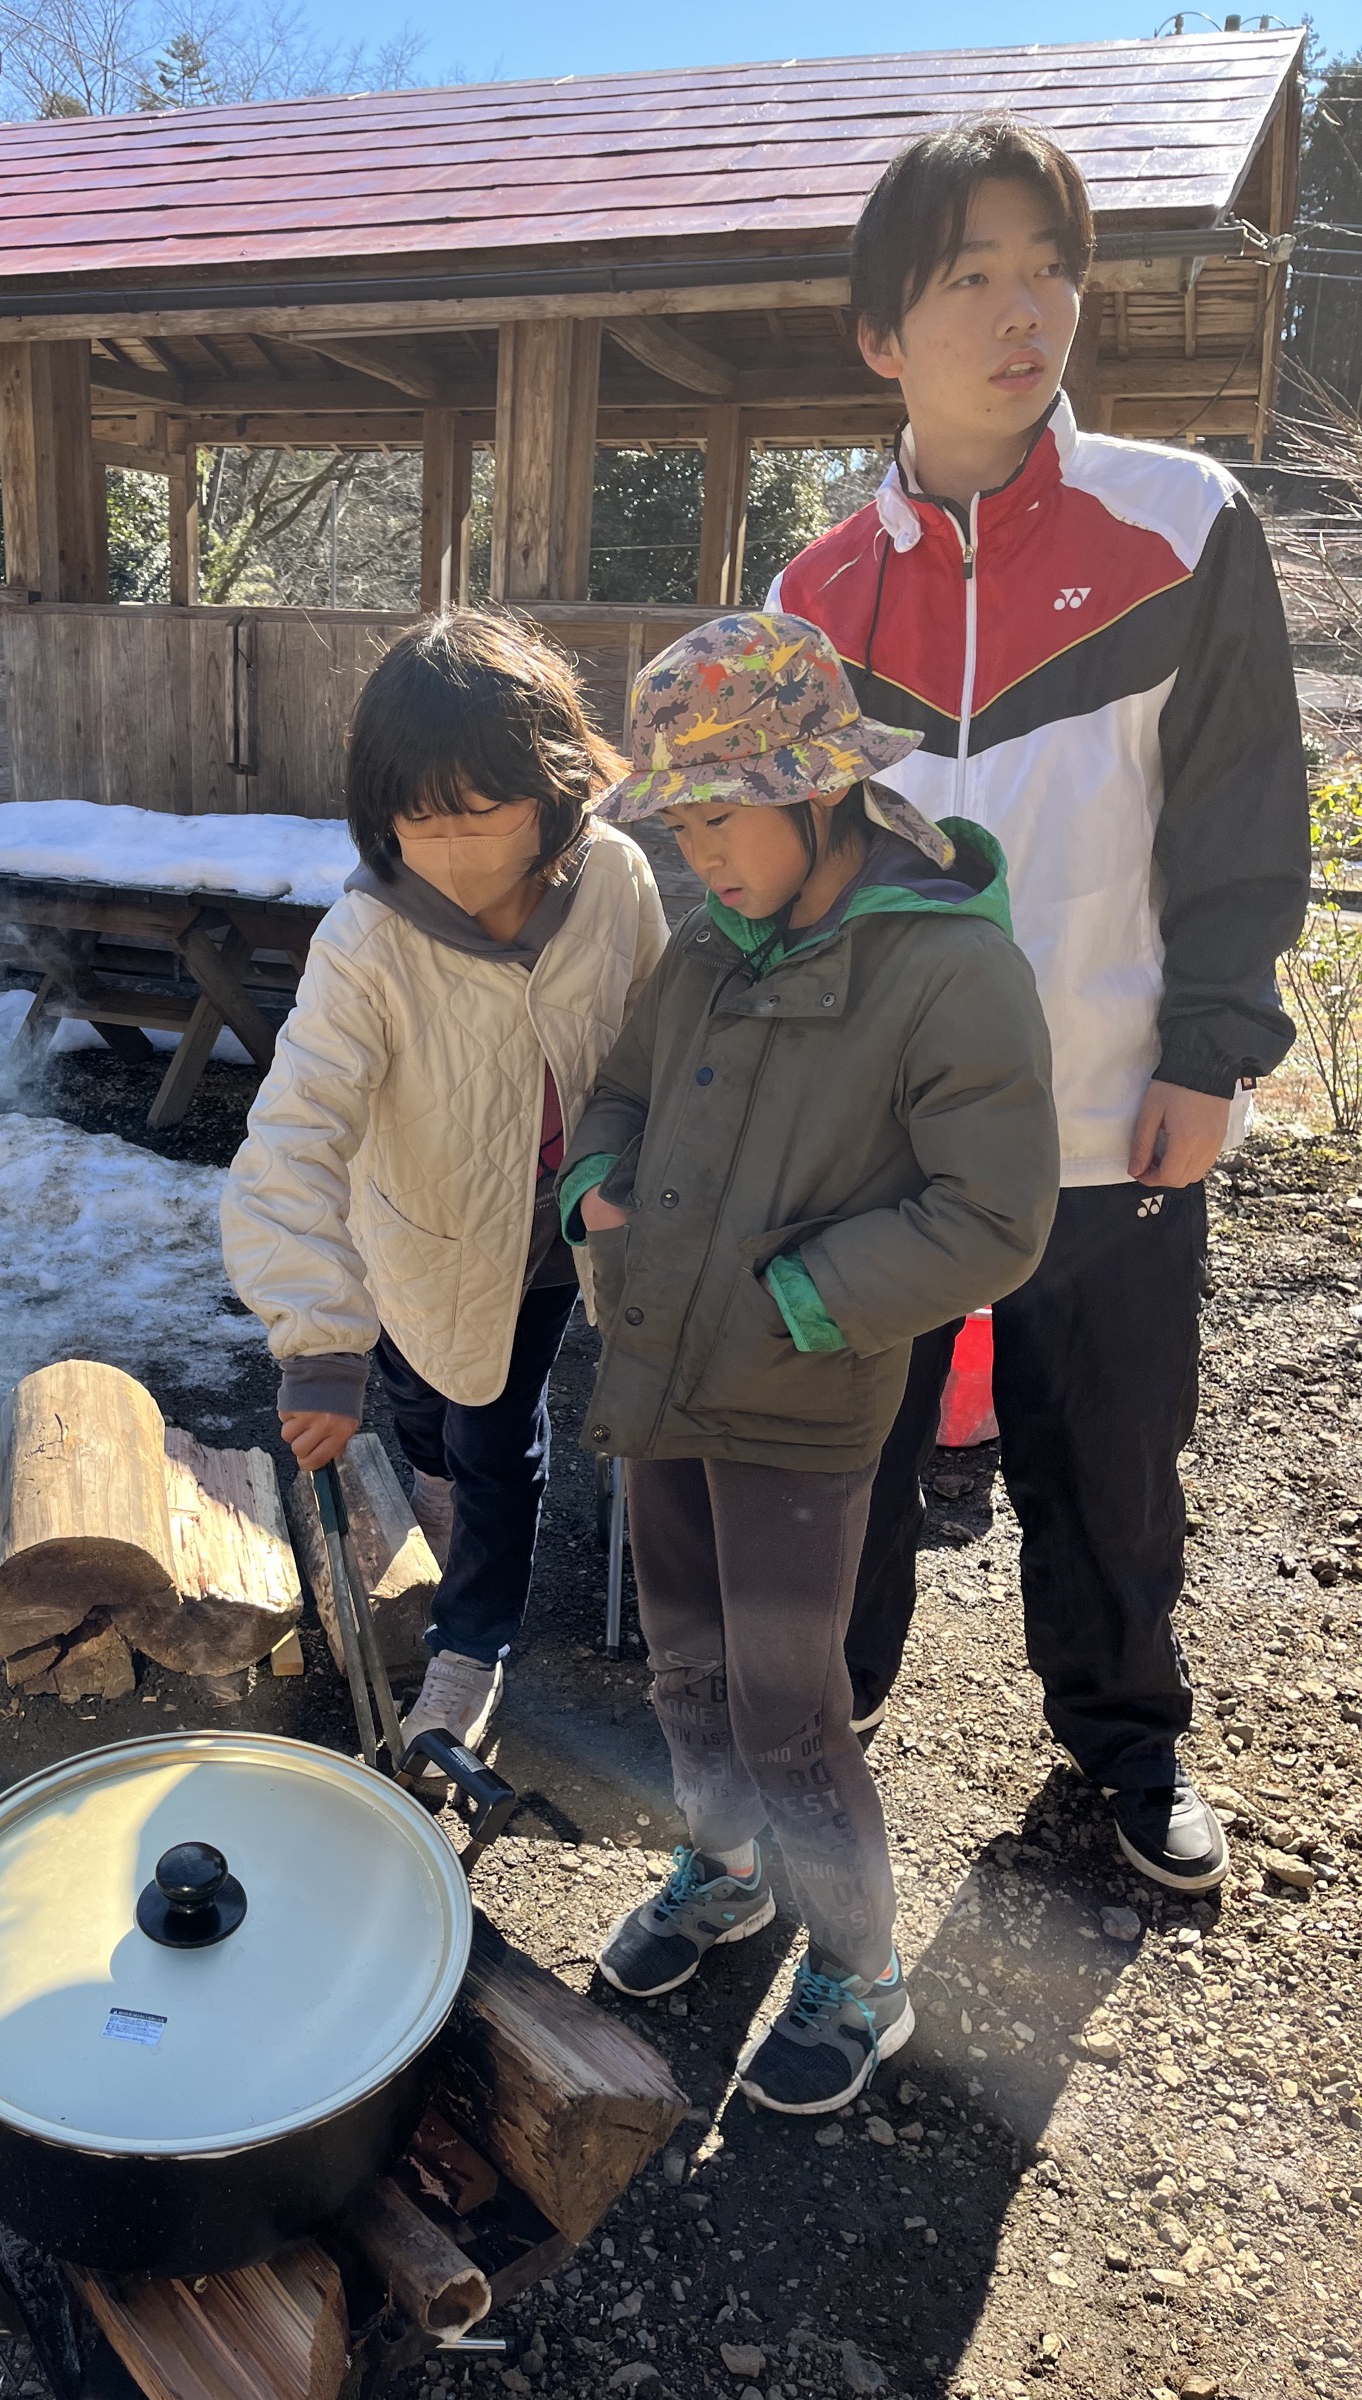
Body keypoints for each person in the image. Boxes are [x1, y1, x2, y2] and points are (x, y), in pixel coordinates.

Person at [771, 115, 1310, 1893]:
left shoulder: (1181, 523)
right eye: (969, 278)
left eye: (1046, 270)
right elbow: (777, 874)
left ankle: (1126, 1746)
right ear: (878, 335)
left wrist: (1212, 1046)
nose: (1024, 313)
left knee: (1112, 1457)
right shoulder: (809, 594)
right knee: (847, 1471)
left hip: (1110, 1107)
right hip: (885, 1141)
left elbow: (1240, 805)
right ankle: (812, 1740)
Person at [564, 610, 1057, 2112]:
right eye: (684, 825)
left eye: (724, 820)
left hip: (801, 1396)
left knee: (790, 1700)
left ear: (820, 788)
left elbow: (995, 1216)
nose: (702, 856)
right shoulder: (708, 947)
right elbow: (622, 1095)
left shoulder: (950, 972)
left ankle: (860, 1965)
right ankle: (721, 1875)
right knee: (686, 1665)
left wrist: (799, 1298)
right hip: (659, 1369)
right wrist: (595, 1186)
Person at [222, 610, 668, 1767]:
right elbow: (292, 1136)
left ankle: (472, 1642)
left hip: (556, 1230)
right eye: (420, 814)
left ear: (554, 787)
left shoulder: (612, 880)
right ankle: (432, 1491)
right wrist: (320, 1340)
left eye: (482, 808)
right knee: (422, 1399)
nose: (452, 841)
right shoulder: (369, 937)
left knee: (493, 1428)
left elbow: (662, 1031)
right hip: (414, 1226)